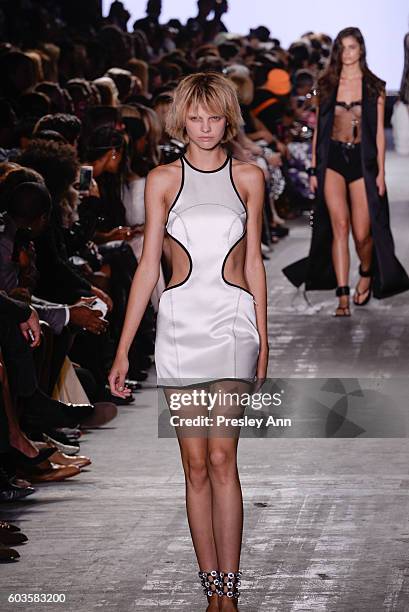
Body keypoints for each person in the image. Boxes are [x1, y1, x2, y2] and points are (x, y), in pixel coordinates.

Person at [108, 72, 268, 611]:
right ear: (182, 121)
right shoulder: (161, 180)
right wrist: (124, 348)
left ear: (228, 119)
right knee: (194, 467)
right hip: (178, 326)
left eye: (213, 118)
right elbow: (148, 265)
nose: (203, 128)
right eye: (194, 118)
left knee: (223, 459)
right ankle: (212, 595)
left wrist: (263, 339)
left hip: (231, 324)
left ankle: (232, 592)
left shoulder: (249, 177)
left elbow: (254, 266)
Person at [282, 27, 409, 315]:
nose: (347, 53)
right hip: (333, 160)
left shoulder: (374, 85)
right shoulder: (327, 83)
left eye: (352, 47)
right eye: (342, 47)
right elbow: (319, 131)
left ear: (361, 49)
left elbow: (377, 133)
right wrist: (314, 169)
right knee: (339, 226)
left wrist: (380, 173)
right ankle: (342, 296)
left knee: (363, 233)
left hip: (362, 162)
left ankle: (366, 271)